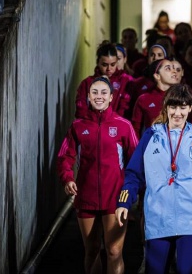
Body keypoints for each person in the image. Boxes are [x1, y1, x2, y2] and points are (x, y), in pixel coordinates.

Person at [116, 84, 192, 274]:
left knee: (186, 271)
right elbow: (134, 173)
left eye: (183, 107)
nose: (178, 113)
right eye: (173, 107)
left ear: (190, 108)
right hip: (158, 216)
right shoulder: (151, 136)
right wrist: (124, 202)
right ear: (166, 108)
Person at [57, 77, 138, 274]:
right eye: (95, 92)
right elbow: (65, 156)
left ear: (111, 97)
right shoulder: (77, 126)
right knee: (91, 251)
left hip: (116, 198)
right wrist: (67, 177)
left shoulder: (124, 126)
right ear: (88, 97)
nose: (99, 96)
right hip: (86, 197)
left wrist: (131, 190)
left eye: (104, 93)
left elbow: (136, 161)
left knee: (114, 250)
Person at [75, 41, 133, 119]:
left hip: (118, 128)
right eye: (105, 65)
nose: (109, 69)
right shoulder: (87, 83)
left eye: (113, 64)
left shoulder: (126, 81)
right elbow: (81, 111)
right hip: (93, 127)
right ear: (98, 62)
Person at [131, 58, 182, 138]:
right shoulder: (144, 99)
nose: (174, 71)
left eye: (174, 68)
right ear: (157, 76)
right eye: (168, 68)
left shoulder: (182, 97)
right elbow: (135, 130)